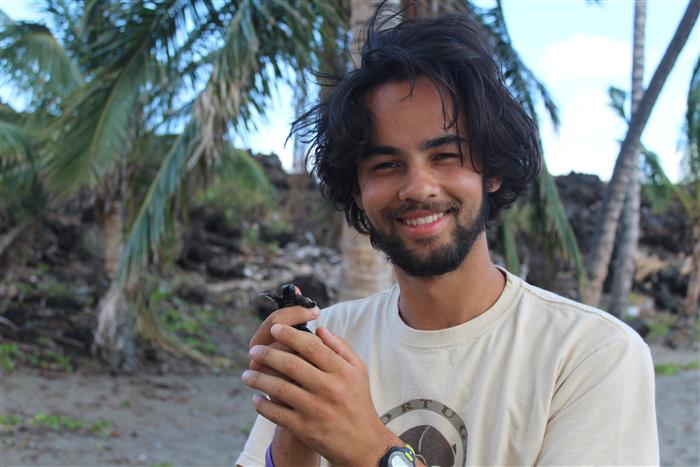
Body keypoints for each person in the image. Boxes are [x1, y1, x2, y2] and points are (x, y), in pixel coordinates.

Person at [236, 11, 658, 467]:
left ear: (491, 171)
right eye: (385, 165)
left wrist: (373, 450)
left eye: (446, 156)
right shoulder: (331, 342)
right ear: (357, 188)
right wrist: (297, 431)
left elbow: (368, 448)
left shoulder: (590, 354)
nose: (418, 187)